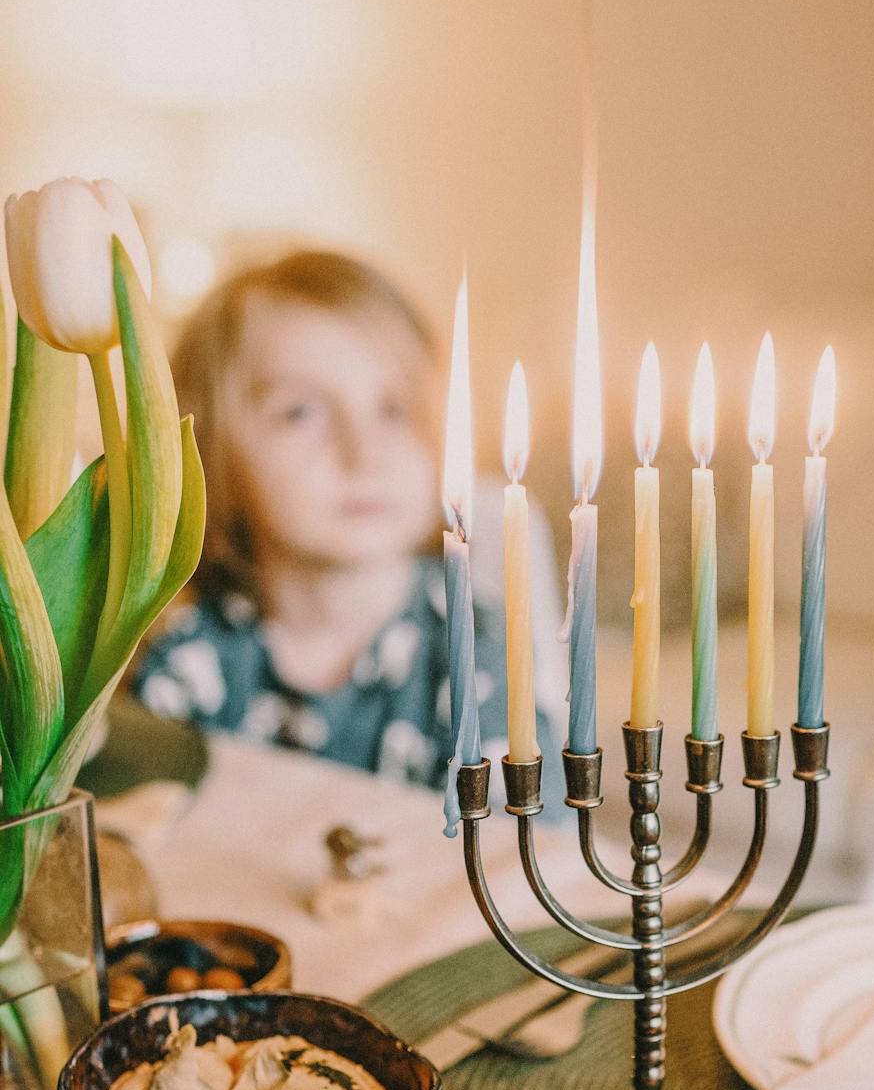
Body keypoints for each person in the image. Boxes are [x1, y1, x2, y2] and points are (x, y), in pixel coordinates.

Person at [133, 250, 565, 792]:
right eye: (300, 411)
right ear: (208, 452)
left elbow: (523, 852)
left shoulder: (476, 654)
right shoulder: (188, 657)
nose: (364, 453)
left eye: (394, 409)